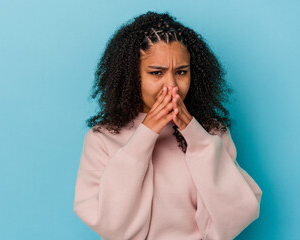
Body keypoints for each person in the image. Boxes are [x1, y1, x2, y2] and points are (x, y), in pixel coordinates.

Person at [73, 11, 262, 240]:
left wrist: (196, 135)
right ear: (133, 76)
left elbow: (238, 214)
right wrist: (146, 133)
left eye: (181, 72)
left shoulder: (212, 134)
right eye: (157, 73)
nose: (171, 87)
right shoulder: (101, 139)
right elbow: (111, 226)